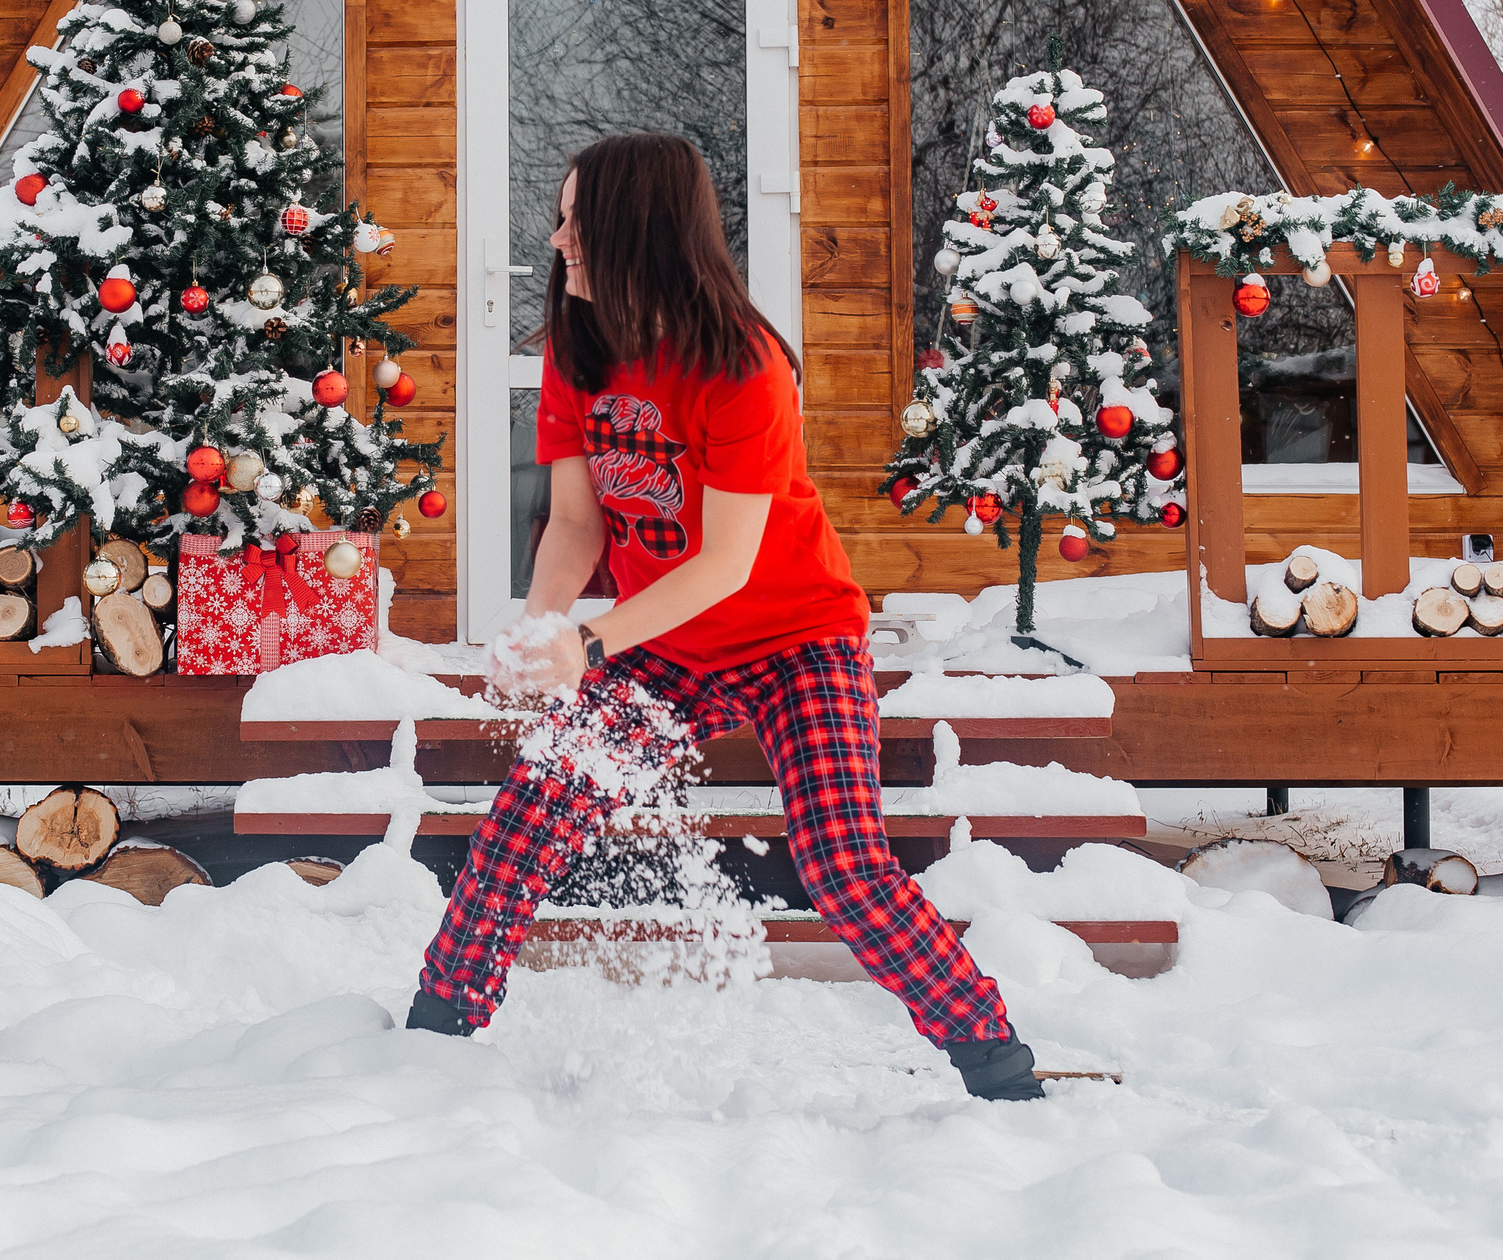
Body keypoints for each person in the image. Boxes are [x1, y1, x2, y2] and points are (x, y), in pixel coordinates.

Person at [403, 133, 1042, 1101]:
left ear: (634, 230)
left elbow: (724, 564)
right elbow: (576, 522)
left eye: (575, 218)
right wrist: (541, 626)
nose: (557, 238)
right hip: (662, 645)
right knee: (526, 821)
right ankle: (432, 1039)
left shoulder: (743, 366)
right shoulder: (578, 355)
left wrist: (586, 641)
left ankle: (997, 1063)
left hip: (797, 640)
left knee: (842, 870)